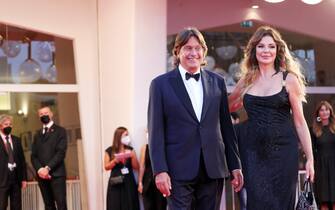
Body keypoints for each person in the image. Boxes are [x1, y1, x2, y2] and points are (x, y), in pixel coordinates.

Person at [148, 27, 243, 210]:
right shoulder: (160, 85)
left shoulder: (218, 82)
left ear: (204, 51)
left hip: (212, 168)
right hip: (177, 170)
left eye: (197, 48)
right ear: (177, 52)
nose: (193, 53)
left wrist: (235, 165)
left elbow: (226, 128)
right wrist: (160, 170)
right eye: (187, 48)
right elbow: (155, 131)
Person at [229, 26, 314, 210]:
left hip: (283, 154)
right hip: (253, 154)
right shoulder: (246, 81)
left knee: (281, 204)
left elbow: (300, 122)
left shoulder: (288, 79)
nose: (266, 50)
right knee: (256, 203)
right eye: (261, 46)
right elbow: (226, 107)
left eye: (271, 46)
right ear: (254, 50)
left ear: (278, 50)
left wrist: (310, 158)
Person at [31, 106, 68, 210]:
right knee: (48, 205)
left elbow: (60, 153)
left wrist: (47, 168)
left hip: (57, 175)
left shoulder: (60, 131)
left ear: (51, 114)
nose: (44, 115)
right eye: (41, 114)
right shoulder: (37, 134)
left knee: (61, 205)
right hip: (42, 176)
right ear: (39, 117)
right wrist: (40, 170)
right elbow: (33, 156)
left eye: (46, 113)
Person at [104, 126, 140, 210]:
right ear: (119, 136)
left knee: (130, 204)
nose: (128, 137)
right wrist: (115, 160)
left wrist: (133, 156)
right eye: (125, 135)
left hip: (129, 182)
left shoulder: (130, 149)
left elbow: (136, 167)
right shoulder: (109, 150)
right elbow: (106, 167)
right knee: (115, 204)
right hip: (115, 182)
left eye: (128, 135)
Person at [310, 101, 335, 210]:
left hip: (334, 166)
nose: (324, 112)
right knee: (323, 201)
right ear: (318, 113)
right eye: (322, 110)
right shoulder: (314, 129)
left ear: (330, 112)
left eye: (327, 109)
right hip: (321, 168)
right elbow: (310, 150)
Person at [0, 114, 27, 210]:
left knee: (16, 206)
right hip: (2, 180)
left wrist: (24, 178)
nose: (8, 126)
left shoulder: (16, 140)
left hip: (16, 179)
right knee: (2, 206)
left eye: (10, 124)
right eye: (6, 124)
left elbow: (22, 160)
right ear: (0, 126)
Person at [138, 131, 167, 210]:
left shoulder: (162, 146)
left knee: (161, 206)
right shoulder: (145, 147)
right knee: (148, 206)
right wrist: (140, 182)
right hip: (148, 181)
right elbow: (142, 166)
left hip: (161, 180)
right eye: (147, 131)